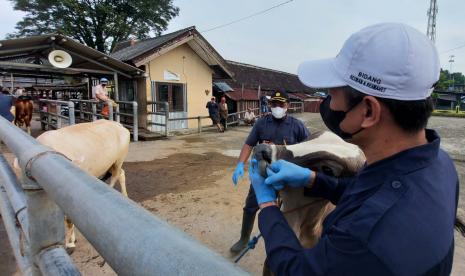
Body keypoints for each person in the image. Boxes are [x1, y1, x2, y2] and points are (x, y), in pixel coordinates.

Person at [248, 23, 459, 275]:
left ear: (368, 111)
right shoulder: (439, 164)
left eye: (332, 94)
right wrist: (312, 179)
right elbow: (366, 192)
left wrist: (268, 206)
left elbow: (299, 270)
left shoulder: (364, 240)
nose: (330, 105)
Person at [230, 90, 310, 253]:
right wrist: (240, 164)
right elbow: (249, 144)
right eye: (274, 104)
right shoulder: (262, 123)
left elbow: (309, 148)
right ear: (270, 105)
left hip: (286, 177)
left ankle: (285, 246)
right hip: (262, 174)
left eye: (281, 104)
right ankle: (244, 239)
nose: (277, 107)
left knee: (287, 211)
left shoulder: (297, 126)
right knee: (250, 206)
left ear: (287, 105)